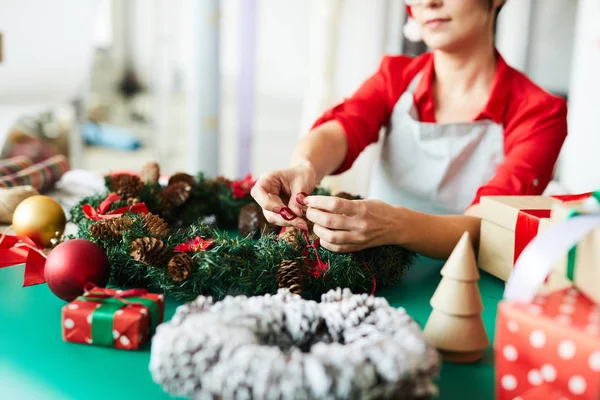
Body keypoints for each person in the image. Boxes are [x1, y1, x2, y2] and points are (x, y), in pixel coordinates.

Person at [251, 0, 568, 260]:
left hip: (468, 293)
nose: (429, 3)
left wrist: (394, 225)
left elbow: (493, 225)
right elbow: (343, 128)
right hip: (377, 277)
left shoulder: (540, 112)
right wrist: (304, 166)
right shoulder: (395, 76)